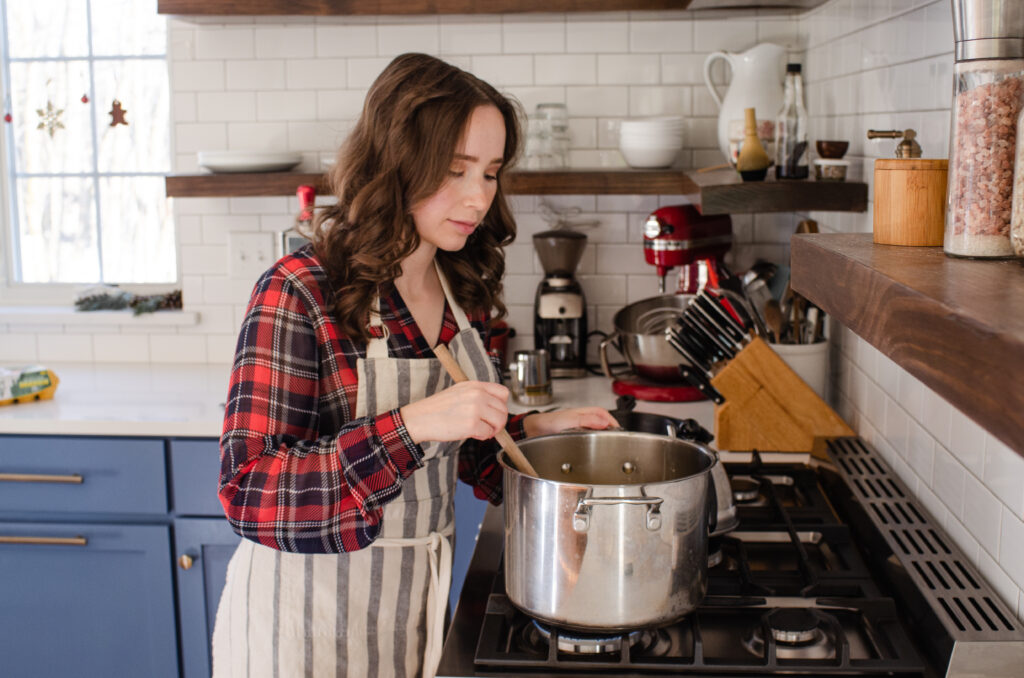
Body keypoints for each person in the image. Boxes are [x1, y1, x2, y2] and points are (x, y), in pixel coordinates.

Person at [211, 53, 617, 678]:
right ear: (397, 162)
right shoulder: (301, 291)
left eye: (490, 172)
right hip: (299, 631)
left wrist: (528, 429)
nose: (479, 197)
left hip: (413, 615)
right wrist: (411, 425)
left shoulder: (457, 286)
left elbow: (451, 454)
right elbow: (252, 493)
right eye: (455, 171)